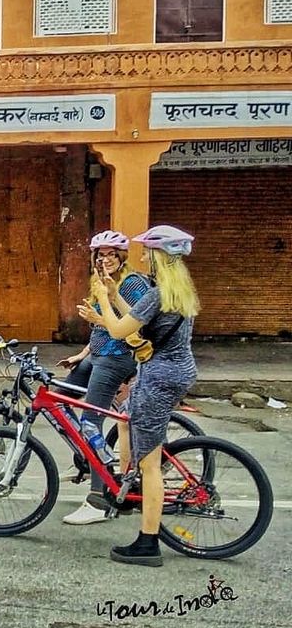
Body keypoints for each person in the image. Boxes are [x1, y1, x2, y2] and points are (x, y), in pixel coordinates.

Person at [78, 225, 199, 567]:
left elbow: (118, 329)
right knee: (128, 420)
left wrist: (102, 295)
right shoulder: (175, 291)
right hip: (175, 370)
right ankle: (128, 487)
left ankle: (148, 543)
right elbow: (136, 317)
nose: (143, 257)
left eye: (148, 252)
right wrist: (115, 294)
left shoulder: (157, 295)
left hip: (159, 377)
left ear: (159, 256)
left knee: (151, 465)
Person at [56, 230, 150, 525]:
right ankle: (88, 458)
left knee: (90, 424)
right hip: (96, 356)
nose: (105, 259)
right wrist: (81, 355)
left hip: (115, 360)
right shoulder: (98, 282)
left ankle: (98, 500)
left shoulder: (133, 284)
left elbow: (130, 326)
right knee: (58, 403)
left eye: (111, 254)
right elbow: (99, 331)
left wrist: (99, 318)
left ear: (122, 257)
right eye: (101, 255)